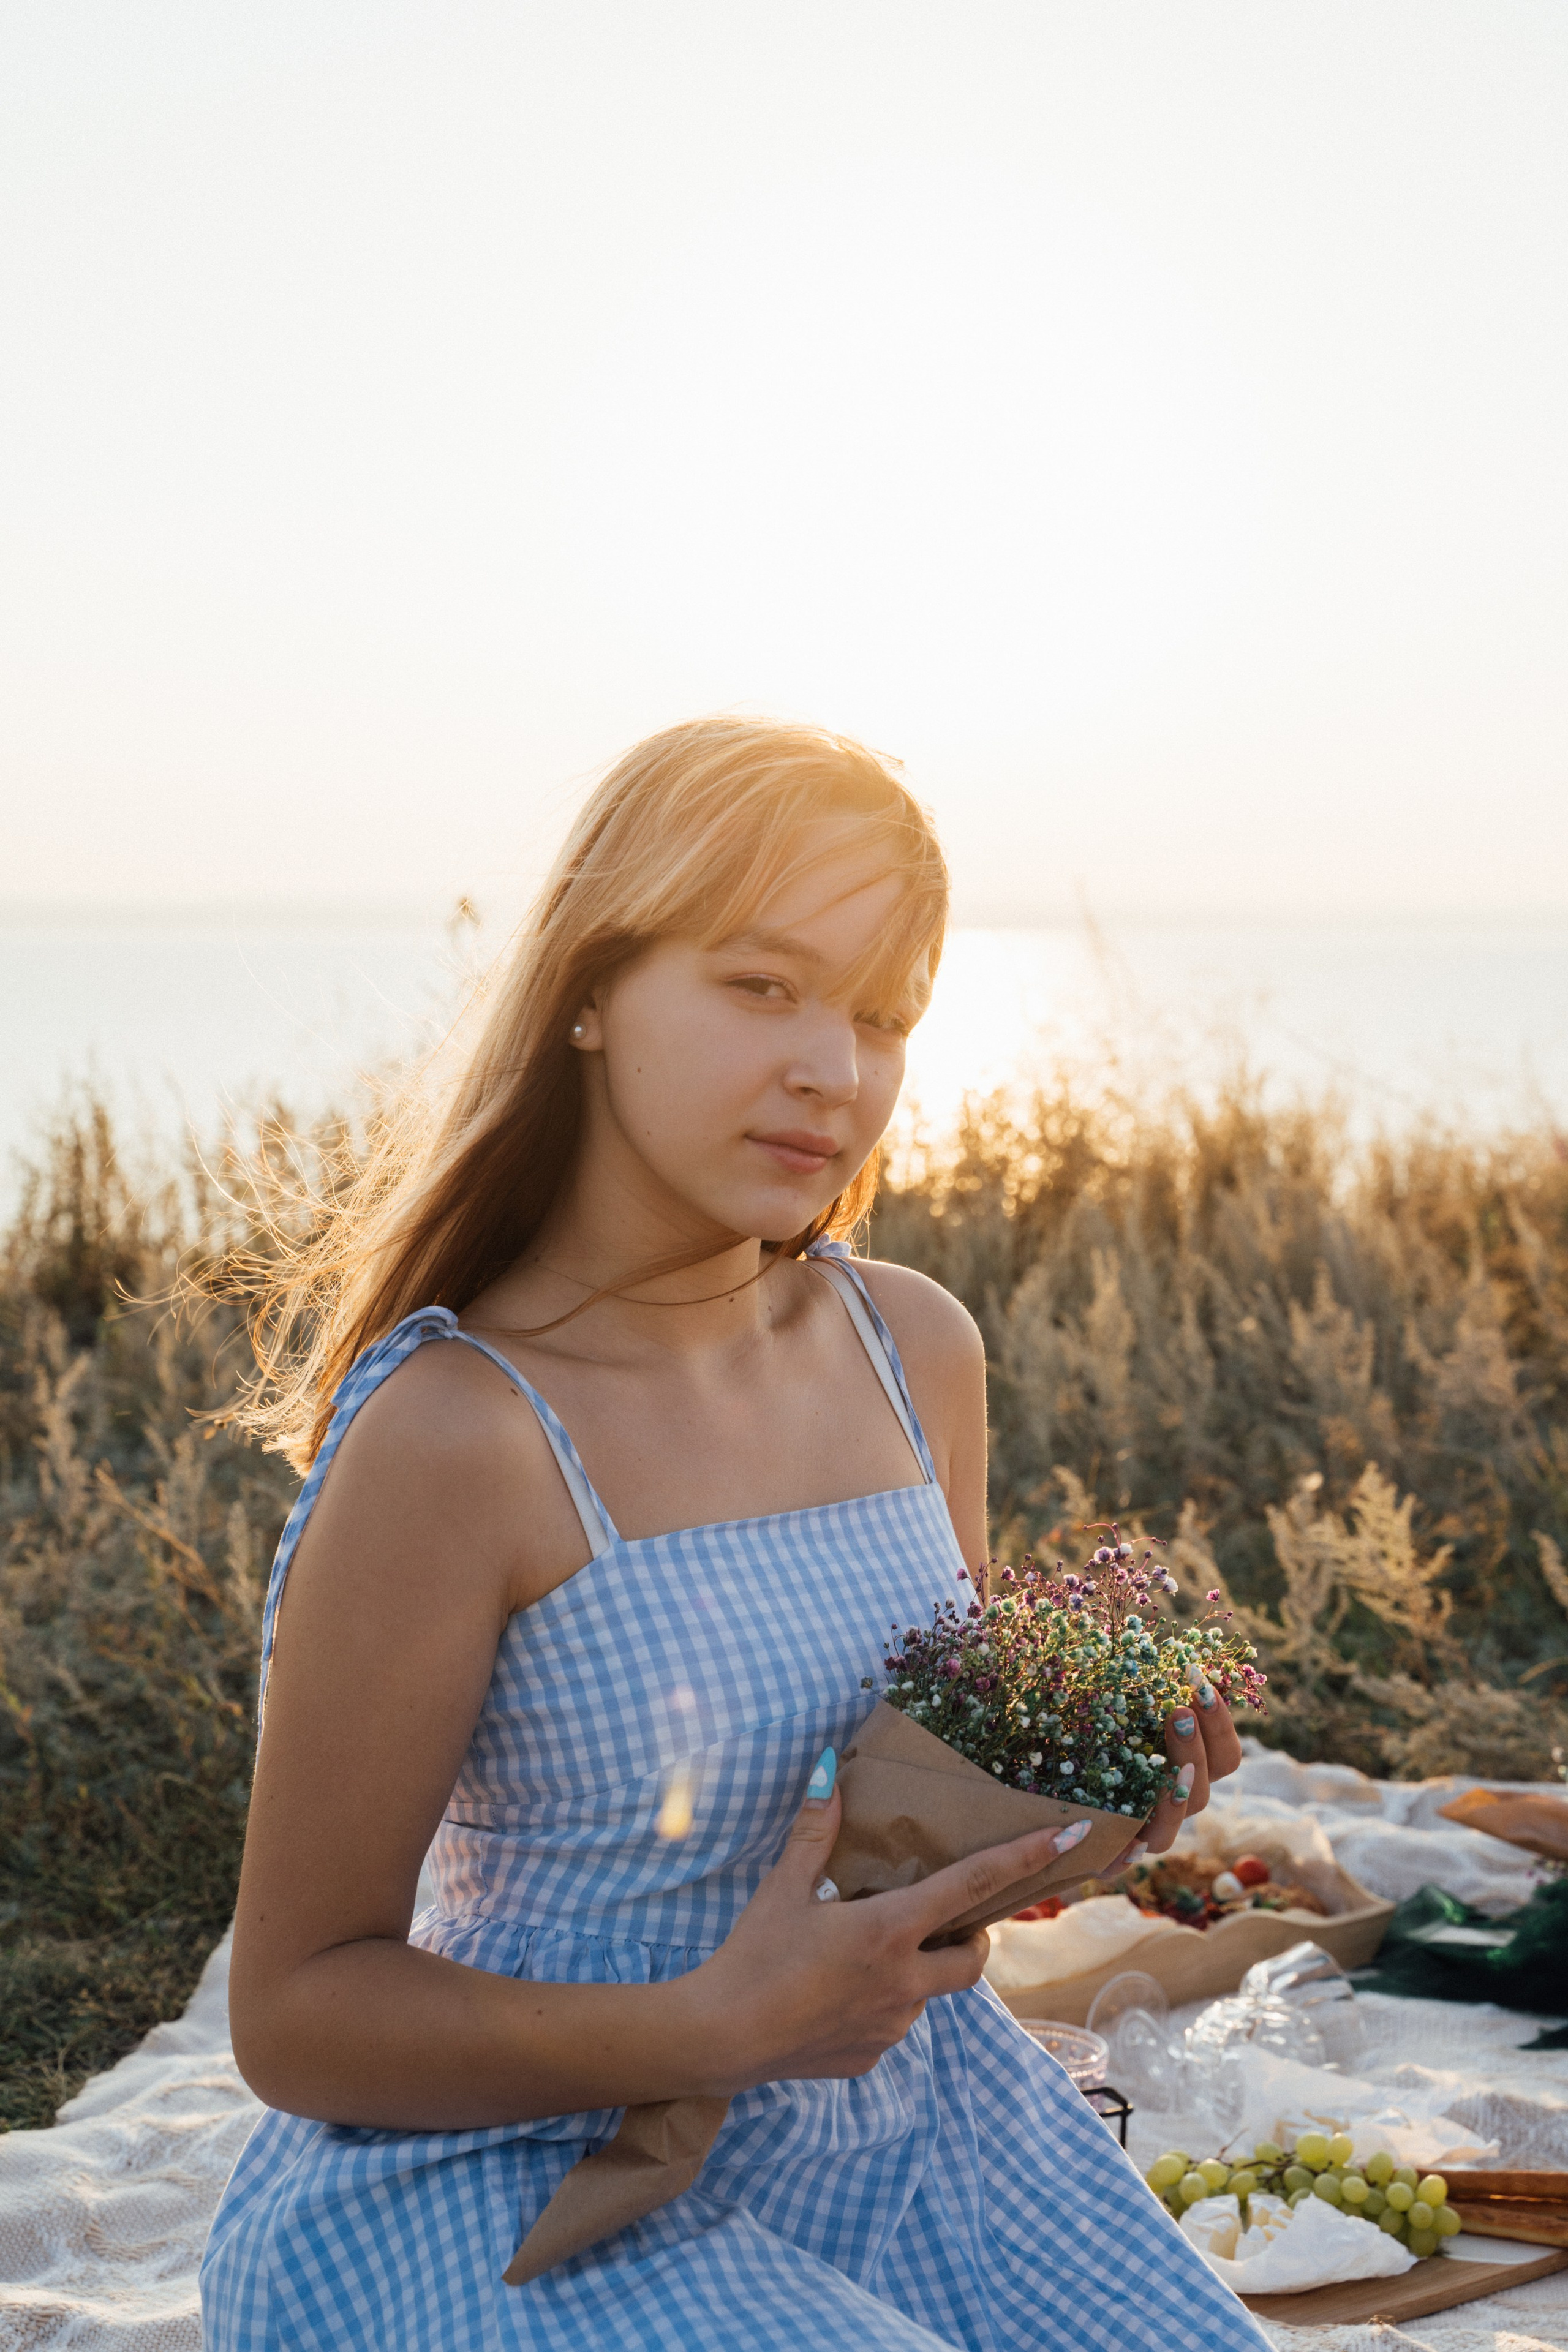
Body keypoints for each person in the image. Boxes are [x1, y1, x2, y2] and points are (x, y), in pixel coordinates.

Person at [201, 718, 1268, 2351]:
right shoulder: (463, 1435)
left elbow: (895, 1815)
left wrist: (1072, 1826)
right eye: (761, 987)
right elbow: (296, 2016)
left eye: (882, 1016)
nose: (832, 1070)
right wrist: (706, 2025)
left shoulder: (913, 1349)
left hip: (907, 2129)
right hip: (515, 2183)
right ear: (587, 988)